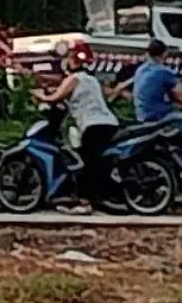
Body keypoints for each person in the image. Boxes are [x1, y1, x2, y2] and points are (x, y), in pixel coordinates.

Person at [31, 62, 118, 213]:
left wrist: (36, 93)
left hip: (94, 125)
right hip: (108, 123)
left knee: (88, 164)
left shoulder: (76, 78)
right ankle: (83, 196)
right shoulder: (91, 79)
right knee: (91, 160)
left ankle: (86, 203)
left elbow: (54, 97)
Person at [113, 40, 182, 161]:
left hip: (141, 116)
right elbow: (180, 96)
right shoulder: (165, 71)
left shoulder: (140, 70)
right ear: (164, 54)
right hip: (159, 116)